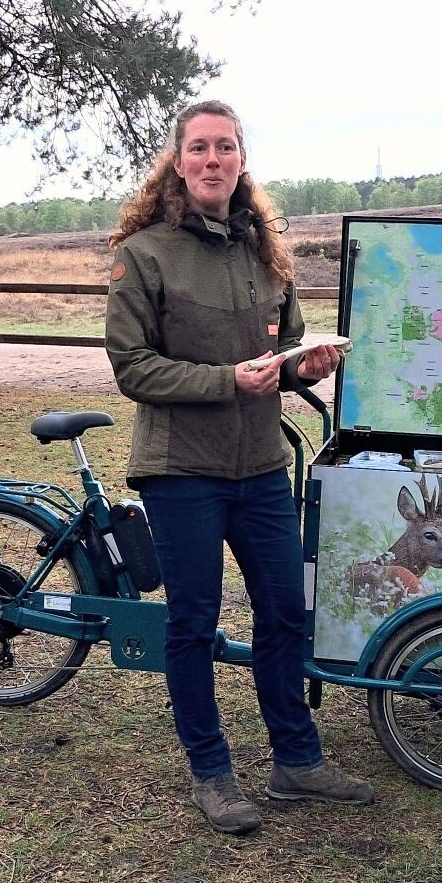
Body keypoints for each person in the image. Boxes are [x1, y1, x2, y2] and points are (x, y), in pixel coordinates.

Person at [104, 99, 374, 835]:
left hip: (258, 465)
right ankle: (212, 771)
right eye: (199, 147)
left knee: (286, 610)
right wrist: (228, 380)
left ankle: (296, 760)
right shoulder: (146, 253)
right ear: (178, 161)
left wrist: (303, 366)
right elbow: (133, 367)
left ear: (242, 161)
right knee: (191, 623)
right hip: (180, 470)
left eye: (226, 146)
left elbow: (279, 354)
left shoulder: (264, 252)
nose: (213, 159)